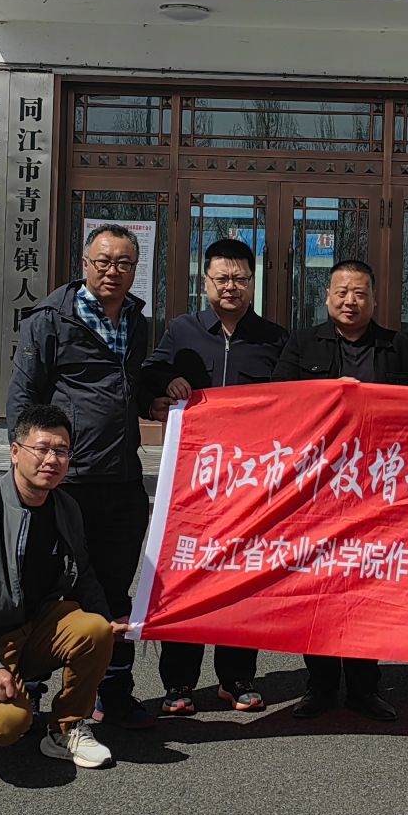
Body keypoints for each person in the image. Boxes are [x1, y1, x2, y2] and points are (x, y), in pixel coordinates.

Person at [4, 223, 164, 729]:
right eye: (104, 262)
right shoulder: (50, 320)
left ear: (135, 269)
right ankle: (30, 692)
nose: (113, 271)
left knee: (115, 590)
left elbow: (129, 387)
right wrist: (28, 471)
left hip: (121, 478)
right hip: (65, 482)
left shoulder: (137, 319)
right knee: (46, 587)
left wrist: (156, 401)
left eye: (124, 263)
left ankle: (113, 691)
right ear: (85, 265)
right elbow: (24, 397)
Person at [0, 403, 128, 769]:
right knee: (8, 724)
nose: (52, 459)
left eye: (62, 451)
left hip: (33, 627)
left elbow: (83, 573)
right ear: (15, 452)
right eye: (42, 449)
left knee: (96, 630)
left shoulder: (65, 507)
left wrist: (106, 616)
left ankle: (66, 728)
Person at [140, 237, 289, 714]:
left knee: (242, 579)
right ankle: (179, 684)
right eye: (222, 278)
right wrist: (166, 383)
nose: (231, 286)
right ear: (205, 282)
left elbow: (293, 401)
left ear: (253, 283)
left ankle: (238, 677)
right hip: (195, 484)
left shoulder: (274, 339)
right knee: (186, 575)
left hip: (251, 484)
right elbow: (149, 375)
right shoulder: (182, 330)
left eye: (240, 279)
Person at [273, 257, 408, 721]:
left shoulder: (398, 347)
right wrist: (329, 394)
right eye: (341, 292)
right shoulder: (302, 343)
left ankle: (364, 687)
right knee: (317, 587)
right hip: (318, 487)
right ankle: (319, 685)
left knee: (366, 587)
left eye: (359, 293)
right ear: (327, 297)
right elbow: (279, 402)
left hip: (377, 488)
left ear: (374, 299)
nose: (350, 301)